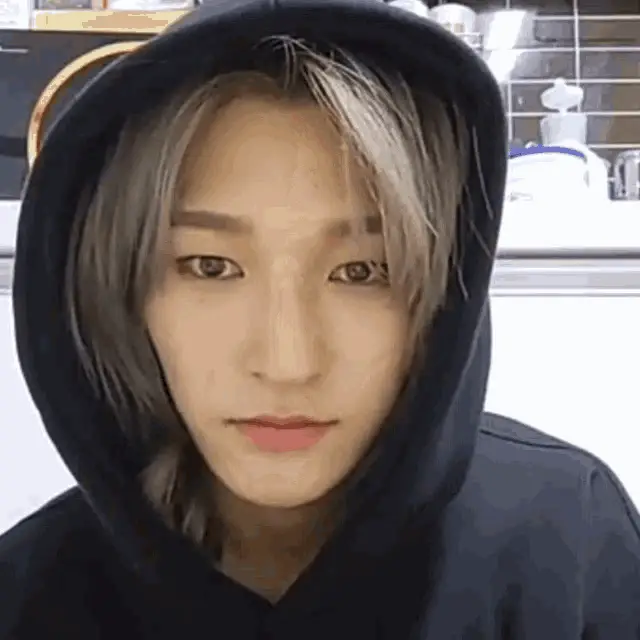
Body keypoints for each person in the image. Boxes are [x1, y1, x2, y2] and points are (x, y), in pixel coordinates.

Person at [1, 1, 639, 637]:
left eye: (362, 271)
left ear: (443, 295)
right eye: (210, 266)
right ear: (122, 291)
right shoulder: (29, 595)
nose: (288, 363)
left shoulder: (570, 545)